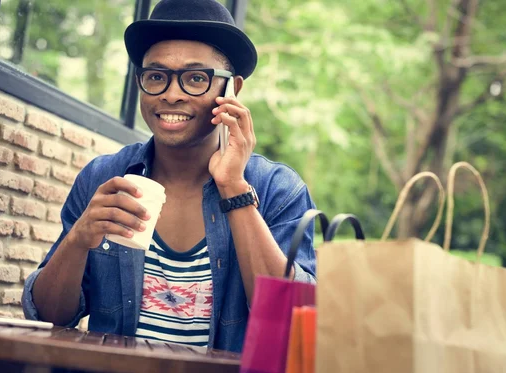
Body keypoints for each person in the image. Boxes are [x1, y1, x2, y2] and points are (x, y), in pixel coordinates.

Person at [23, 0, 316, 353]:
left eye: (195, 78)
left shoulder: (278, 190)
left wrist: (233, 187)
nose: (171, 94)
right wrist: (78, 240)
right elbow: (49, 316)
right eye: (156, 76)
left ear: (231, 91)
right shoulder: (103, 178)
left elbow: (291, 320)